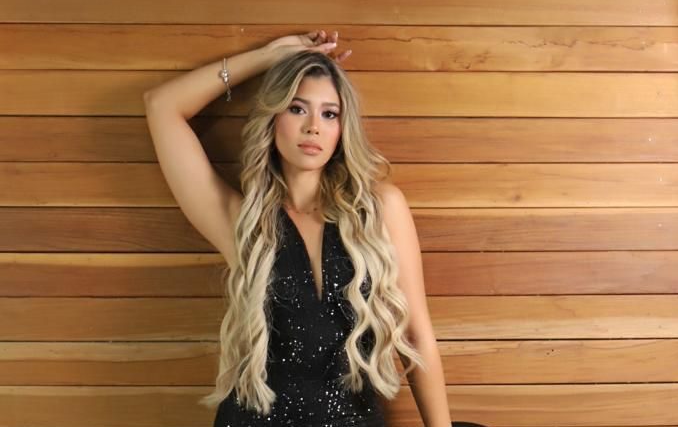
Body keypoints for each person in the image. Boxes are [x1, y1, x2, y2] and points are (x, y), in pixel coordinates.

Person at [143, 30, 454, 426]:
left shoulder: (380, 209)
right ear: (273, 117)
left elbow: (415, 335)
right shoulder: (243, 220)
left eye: (329, 114)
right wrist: (266, 58)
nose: (313, 127)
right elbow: (161, 106)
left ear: (342, 128)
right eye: (296, 108)